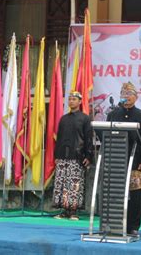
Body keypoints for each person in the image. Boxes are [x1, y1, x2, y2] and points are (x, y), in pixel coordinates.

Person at [106, 82, 141, 235]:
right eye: (123, 94)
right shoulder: (112, 114)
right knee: (116, 194)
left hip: (135, 161)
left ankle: (133, 227)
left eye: (129, 94)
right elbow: (105, 135)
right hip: (116, 161)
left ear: (136, 97)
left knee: (134, 196)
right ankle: (115, 224)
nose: (126, 97)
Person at [53, 91, 93, 221]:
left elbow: (88, 138)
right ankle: (64, 210)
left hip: (77, 156)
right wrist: (57, 155)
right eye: (69, 99)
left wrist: (88, 156)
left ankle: (74, 211)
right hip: (63, 156)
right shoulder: (64, 119)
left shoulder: (85, 118)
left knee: (74, 184)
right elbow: (59, 138)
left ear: (80, 102)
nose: (71, 101)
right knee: (63, 182)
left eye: (74, 99)